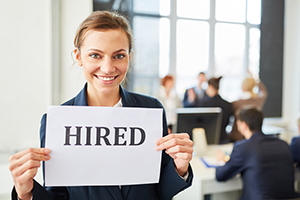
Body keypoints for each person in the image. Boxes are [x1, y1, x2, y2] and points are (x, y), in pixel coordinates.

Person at [8, 10, 194, 200]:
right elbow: (58, 196)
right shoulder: (56, 122)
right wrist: (25, 193)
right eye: (95, 55)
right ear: (78, 57)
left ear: (129, 57)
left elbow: (159, 190)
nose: (107, 68)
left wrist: (179, 168)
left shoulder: (151, 110)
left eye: (118, 56)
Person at [216, 107, 300, 200]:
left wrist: (221, 161)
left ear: (243, 125)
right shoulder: (282, 144)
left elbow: (220, 176)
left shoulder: (243, 148)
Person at [229, 75, 268, 142]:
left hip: (237, 137)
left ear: (243, 87)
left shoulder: (236, 103)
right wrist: (255, 78)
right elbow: (264, 91)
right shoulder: (258, 101)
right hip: (255, 137)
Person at [201, 76, 233, 144]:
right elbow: (228, 123)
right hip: (223, 138)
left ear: (210, 86)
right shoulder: (227, 104)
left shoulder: (205, 104)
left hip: (208, 139)